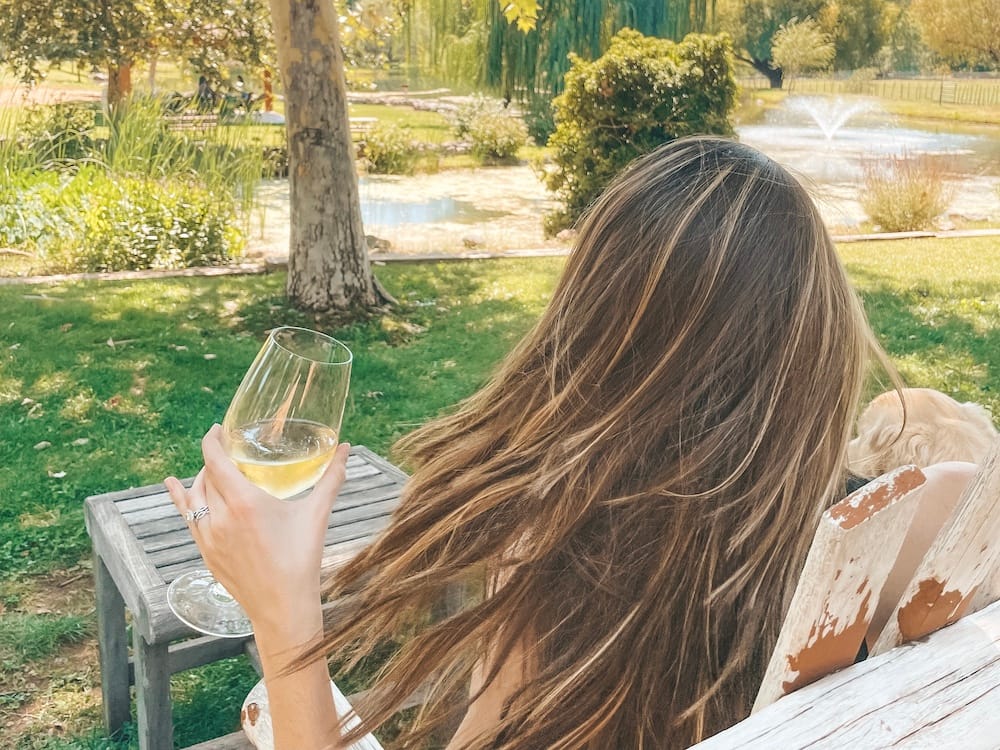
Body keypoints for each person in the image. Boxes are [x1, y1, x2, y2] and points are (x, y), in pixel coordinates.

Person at [166, 136, 899, 749]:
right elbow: (960, 466)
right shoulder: (848, 532)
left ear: (592, 323)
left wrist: (280, 608)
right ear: (813, 347)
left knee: (269, 697)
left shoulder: (566, 561)